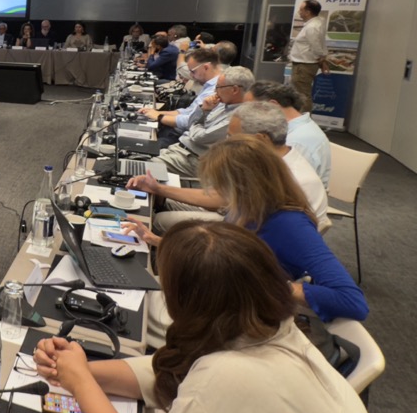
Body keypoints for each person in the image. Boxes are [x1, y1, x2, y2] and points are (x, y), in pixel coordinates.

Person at [32, 221, 391, 413]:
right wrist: (80, 369)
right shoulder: (273, 331)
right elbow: (177, 369)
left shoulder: (236, 380)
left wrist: (81, 384)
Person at [126, 137, 366, 322]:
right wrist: (155, 239)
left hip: (235, 316)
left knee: (132, 312)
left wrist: (267, 283)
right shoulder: (247, 208)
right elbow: (224, 256)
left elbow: (352, 301)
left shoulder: (289, 224)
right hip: (217, 296)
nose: (216, 191)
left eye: (220, 184)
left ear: (243, 184)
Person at [132, 100, 329, 233]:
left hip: (242, 237)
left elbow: (231, 218)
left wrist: (158, 240)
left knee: (159, 220)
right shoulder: (274, 159)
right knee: (160, 203)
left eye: (232, 137)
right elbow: (223, 197)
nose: (227, 143)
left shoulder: (285, 179)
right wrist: (158, 189)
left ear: (261, 139)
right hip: (234, 216)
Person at [152, 65, 252, 177]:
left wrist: (196, 124)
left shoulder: (238, 117)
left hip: (194, 160)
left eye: (219, 87)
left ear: (234, 90)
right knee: (140, 153)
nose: (215, 91)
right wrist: (204, 110)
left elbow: (200, 137)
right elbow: (191, 123)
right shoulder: (221, 104)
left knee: (147, 167)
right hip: (181, 149)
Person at [250, 81, 330, 187]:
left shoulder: (296, 141)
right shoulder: (296, 130)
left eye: (250, 109)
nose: (246, 115)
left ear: (272, 106)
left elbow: (285, 186)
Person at [140, 48, 221, 141]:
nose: (191, 76)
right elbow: (188, 111)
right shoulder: (208, 85)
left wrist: (159, 117)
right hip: (178, 132)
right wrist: (157, 112)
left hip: (182, 137)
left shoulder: (215, 90)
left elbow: (190, 121)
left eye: (193, 71)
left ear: (206, 67)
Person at [288, 0, 329, 109]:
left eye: (301, 10)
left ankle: (304, 117)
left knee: (302, 95)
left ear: (308, 12)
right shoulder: (317, 23)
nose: (299, 12)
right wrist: (322, 60)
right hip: (304, 64)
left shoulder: (312, 27)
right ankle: (302, 116)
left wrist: (321, 59)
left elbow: (316, 46)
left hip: (304, 65)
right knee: (301, 94)